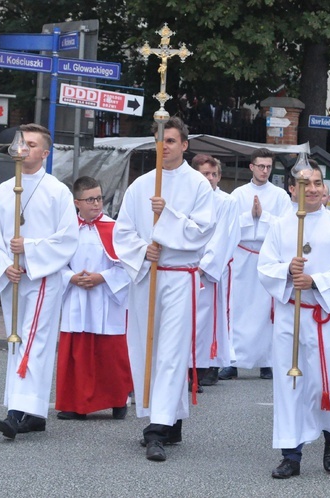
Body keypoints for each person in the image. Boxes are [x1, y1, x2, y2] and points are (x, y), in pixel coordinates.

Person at [113, 117, 215, 462]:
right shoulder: (141, 185)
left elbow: (203, 230)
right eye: (160, 141)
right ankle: (170, 419)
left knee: (171, 351)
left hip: (178, 279)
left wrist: (166, 216)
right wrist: (144, 250)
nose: (165, 147)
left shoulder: (198, 185)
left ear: (184, 145)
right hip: (148, 276)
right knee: (148, 349)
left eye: (171, 140)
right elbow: (122, 232)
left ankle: (156, 430)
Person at [257, 163, 330, 479]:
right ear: (292, 189)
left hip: (323, 315)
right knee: (291, 382)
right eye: (305, 184)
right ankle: (292, 453)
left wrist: (315, 281)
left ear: (325, 189)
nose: (312, 189)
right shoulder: (281, 226)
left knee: (325, 381)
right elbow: (264, 267)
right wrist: (287, 271)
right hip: (290, 315)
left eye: (317, 183)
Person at [0, 123, 79, 440]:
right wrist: (2, 266)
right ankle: (32, 411)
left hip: (43, 277)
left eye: (32, 144)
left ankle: (17, 412)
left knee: (33, 339)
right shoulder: (3, 190)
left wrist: (30, 250)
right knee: (17, 340)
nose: (23, 148)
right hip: (13, 279)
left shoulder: (57, 191)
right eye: (21, 143)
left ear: (45, 153)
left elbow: (67, 239)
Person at [55, 176, 132, 421]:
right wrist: (70, 278)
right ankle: (76, 404)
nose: (97, 204)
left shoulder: (114, 228)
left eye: (99, 198)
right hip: (76, 297)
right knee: (76, 352)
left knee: (110, 353)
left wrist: (102, 278)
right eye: (90, 199)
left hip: (106, 298)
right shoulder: (66, 230)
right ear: (77, 202)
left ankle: (118, 400)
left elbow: (128, 266)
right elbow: (55, 263)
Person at [222, 148, 293, 381]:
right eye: (260, 166)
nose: (265, 171)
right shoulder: (238, 194)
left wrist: (263, 216)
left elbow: (286, 227)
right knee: (239, 308)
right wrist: (249, 216)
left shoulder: (280, 196)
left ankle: (266, 361)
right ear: (251, 167)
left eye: (268, 167)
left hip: (267, 256)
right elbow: (228, 225)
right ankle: (234, 361)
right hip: (243, 256)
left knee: (266, 311)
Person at [193, 155, 240, 387]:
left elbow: (224, 236)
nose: (210, 179)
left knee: (207, 319)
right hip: (185, 267)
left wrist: (204, 265)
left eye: (214, 174)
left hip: (208, 271)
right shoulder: (187, 198)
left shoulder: (226, 202)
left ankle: (206, 365)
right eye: (205, 174)